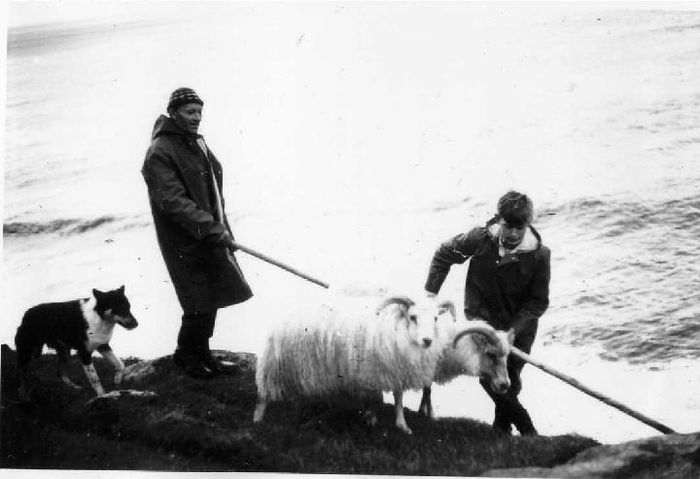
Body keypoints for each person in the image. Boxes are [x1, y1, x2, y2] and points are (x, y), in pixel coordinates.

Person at [142, 87, 253, 378]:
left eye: (200, 112)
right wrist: (212, 228)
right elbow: (173, 201)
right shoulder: (160, 151)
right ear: (174, 113)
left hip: (207, 233)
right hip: (183, 239)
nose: (197, 117)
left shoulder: (194, 144)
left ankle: (203, 354)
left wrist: (222, 230)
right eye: (190, 112)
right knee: (196, 299)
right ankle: (185, 355)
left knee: (211, 294)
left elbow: (212, 191)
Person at [424, 190, 550, 436]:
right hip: (482, 322)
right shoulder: (480, 240)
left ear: (528, 225)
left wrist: (512, 330)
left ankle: (500, 431)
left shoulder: (539, 256)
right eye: (507, 226)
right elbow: (443, 255)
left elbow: (538, 302)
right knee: (488, 375)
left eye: (519, 228)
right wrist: (430, 295)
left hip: (518, 331)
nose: (513, 234)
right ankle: (529, 432)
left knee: (509, 379)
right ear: (498, 219)